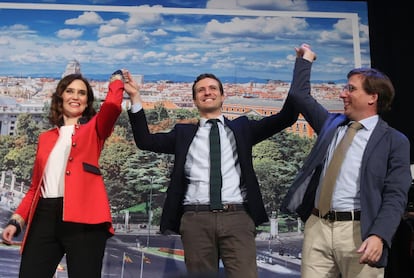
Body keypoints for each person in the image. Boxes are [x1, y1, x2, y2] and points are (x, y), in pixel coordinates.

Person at [121, 66, 305, 277]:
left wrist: (302, 66)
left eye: (212, 88)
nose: (207, 92)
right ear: (195, 100)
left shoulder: (243, 129)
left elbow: (287, 117)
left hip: (237, 217)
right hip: (195, 219)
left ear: (222, 96)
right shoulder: (183, 133)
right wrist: (135, 97)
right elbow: (145, 141)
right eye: (201, 90)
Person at [281, 44, 412, 278]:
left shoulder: (395, 141)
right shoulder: (332, 125)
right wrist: (305, 60)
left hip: (360, 232)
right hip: (317, 227)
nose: (342, 94)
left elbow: (396, 196)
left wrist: (379, 235)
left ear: (373, 97)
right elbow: (299, 95)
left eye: (351, 89)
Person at [1, 71, 125, 277]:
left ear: (87, 102)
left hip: (85, 218)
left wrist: (117, 81)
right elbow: (35, 188)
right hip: (44, 215)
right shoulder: (45, 138)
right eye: (70, 91)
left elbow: (112, 107)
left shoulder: (95, 129)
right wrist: (16, 221)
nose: (75, 96)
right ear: (60, 98)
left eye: (82, 93)